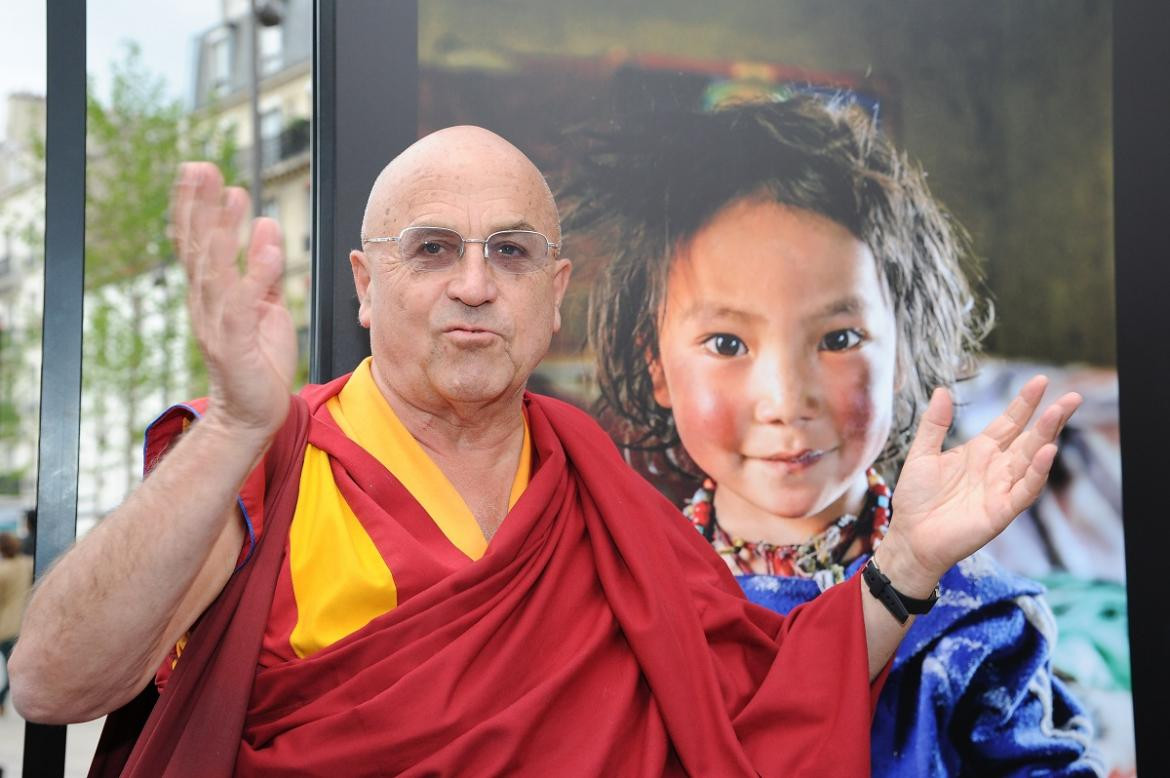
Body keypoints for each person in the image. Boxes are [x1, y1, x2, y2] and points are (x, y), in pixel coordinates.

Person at [9, 125, 1079, 777]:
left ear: (553, 293)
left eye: (510, 252)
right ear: (364, 283)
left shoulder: (594, 480)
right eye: (432, 249)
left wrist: (908, 566)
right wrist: (240, 425)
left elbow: (750, 707)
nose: (475, 282)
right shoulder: (270, 463)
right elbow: (54, 681)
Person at [572, 96, 1102, 775]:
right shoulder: (620, 606)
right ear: (657, 367)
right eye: (728, 342)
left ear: (903, 352)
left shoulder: (977, 622)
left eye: (839, 339)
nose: (788, 402)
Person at [0, 532, 33, 715]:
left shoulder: (3, 571)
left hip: (5, 627)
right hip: (22, 624)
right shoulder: (26, 564)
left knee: (10, 671)